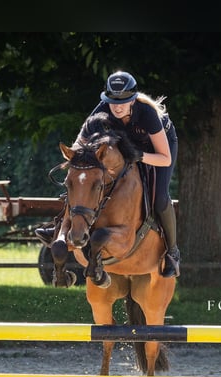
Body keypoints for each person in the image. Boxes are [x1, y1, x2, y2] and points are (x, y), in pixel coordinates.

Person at [39, 70, 180, 278]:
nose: (117, 106)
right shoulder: (101, 110)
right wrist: (77, 159)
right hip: (125, 149)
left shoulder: (147, 114)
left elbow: (164, 158)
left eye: (124, 101)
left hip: (155, 150)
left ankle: (173, 252)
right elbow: (79, 145)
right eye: (112, 100)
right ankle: (59, 228)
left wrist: (138, 156)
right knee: (83, 183)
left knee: (160, 198)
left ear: (133, 100)